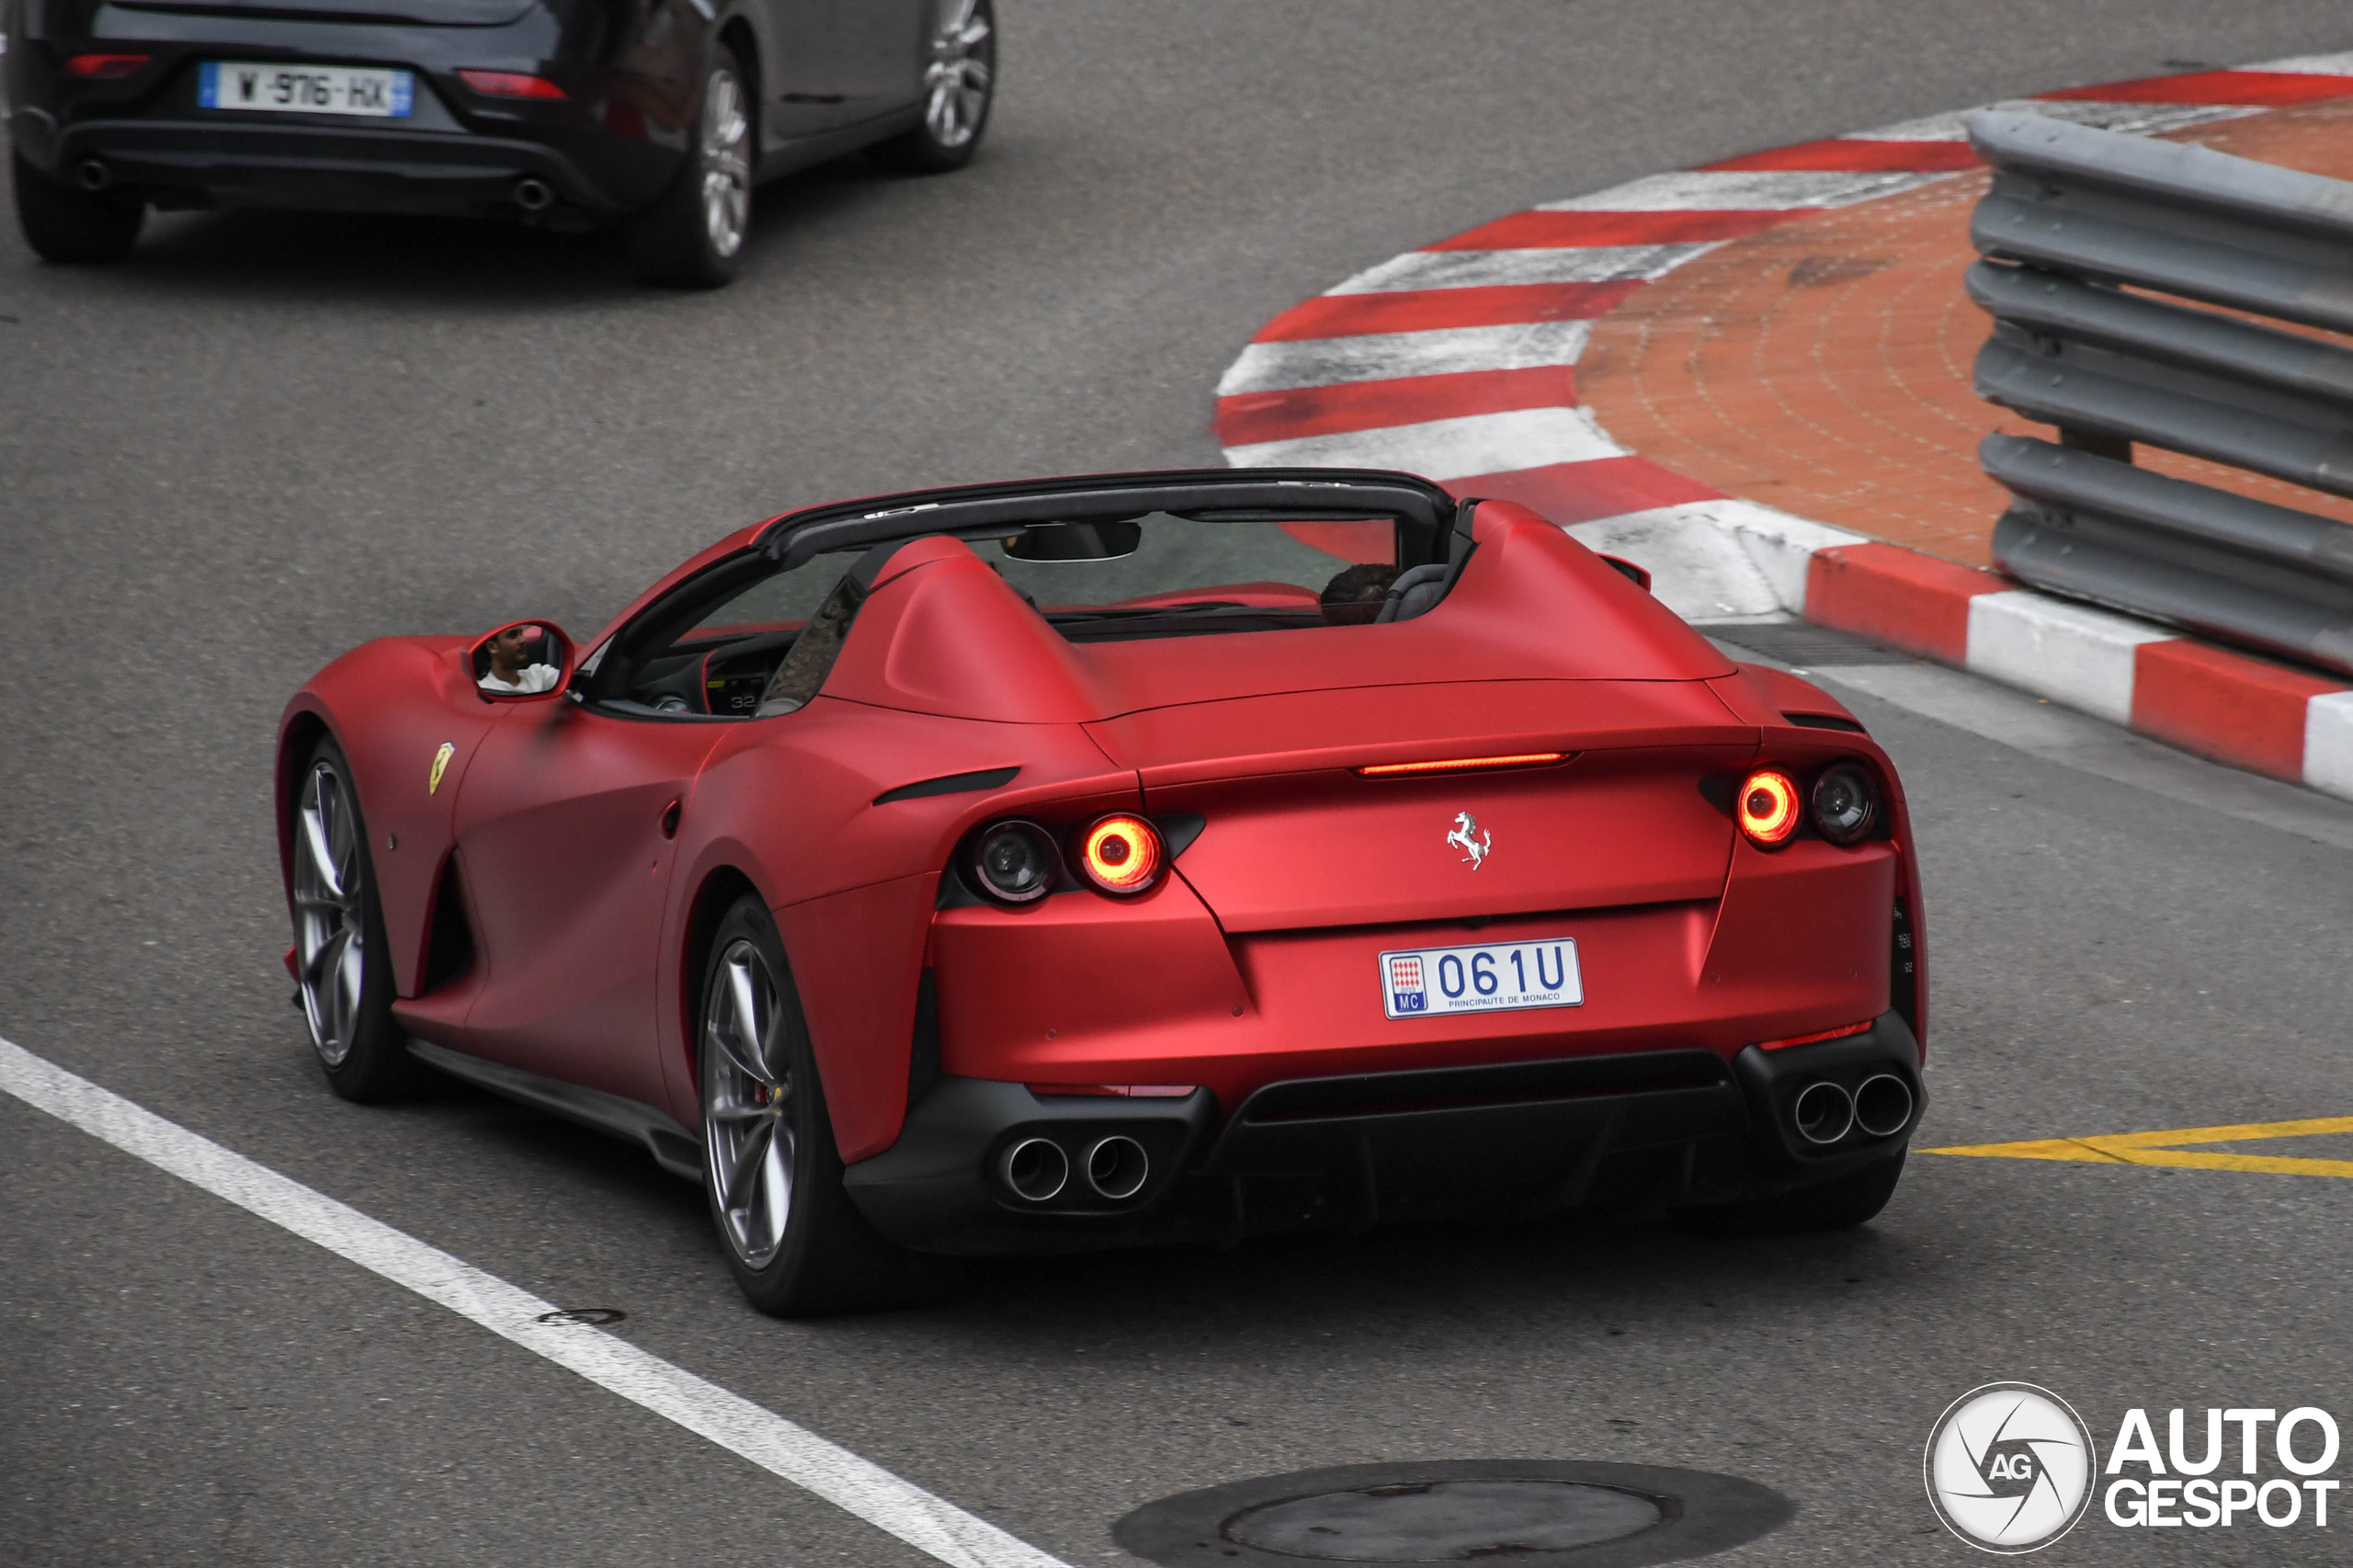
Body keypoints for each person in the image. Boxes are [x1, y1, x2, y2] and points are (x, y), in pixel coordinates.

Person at [478, 624, 563, 694]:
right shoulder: (482, 689)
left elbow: (568, 682)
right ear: (492, 647)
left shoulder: (541, 674)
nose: (522, 640)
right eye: (513, 635)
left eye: (521, 634)